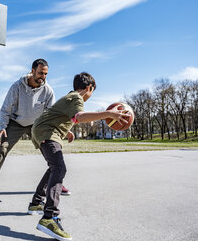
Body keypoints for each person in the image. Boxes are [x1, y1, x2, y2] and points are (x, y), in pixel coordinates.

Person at [27, 72, 130, 241]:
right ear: (89, 88)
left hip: (42, 130)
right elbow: (80, 117)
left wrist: (66, 131)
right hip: (46, 132)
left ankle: (36, 203)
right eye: (92, 92)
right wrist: (108, 114)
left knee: (54, 167)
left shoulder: (70, 97)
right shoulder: (77, 98)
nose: (90, 96)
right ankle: (49, 217)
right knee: (59, 168)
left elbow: (58, 115)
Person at [0, 58, 72, 200]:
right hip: (16, 122)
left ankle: (57, 181)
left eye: (46, 74)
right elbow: (5, 109)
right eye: (41, 73)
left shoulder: (48, 91)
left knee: (51, 150)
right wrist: (2, 127)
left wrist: (63, 128)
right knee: (2, 148)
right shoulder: (17, 86)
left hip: (37, 124)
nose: (43, 77)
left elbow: (52, 114)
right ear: (32, 71)